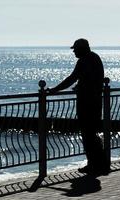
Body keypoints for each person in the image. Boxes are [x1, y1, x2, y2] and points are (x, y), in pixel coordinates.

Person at [47, 38, 110, 176]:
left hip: (87, 103)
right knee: (92, 134)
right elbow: (91, 79)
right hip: (95, 102)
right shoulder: (95, 58)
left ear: (82, 48)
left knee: (88, 135)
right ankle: (100, 163)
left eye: (75, 49)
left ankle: (94, 164)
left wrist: (53, 90)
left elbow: (72, 78)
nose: (74, 51)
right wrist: (81, 86)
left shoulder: (84, 61)